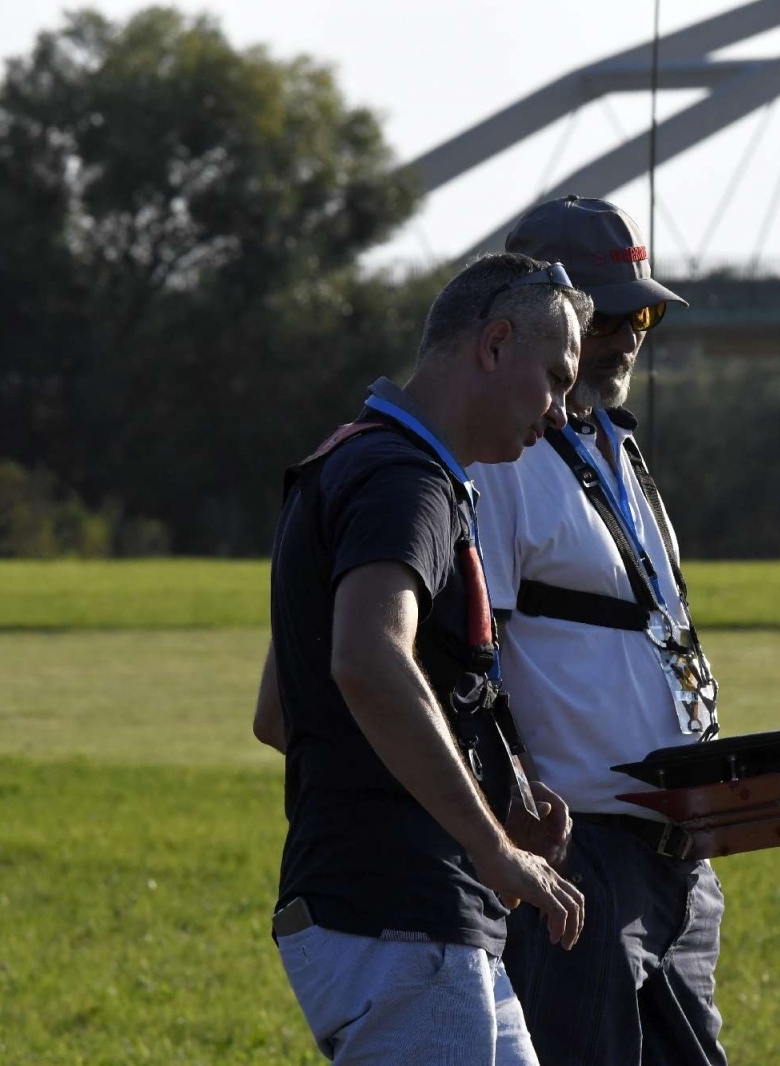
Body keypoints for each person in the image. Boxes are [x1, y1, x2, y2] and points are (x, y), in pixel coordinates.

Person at [252, 252, 592, 1065]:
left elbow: (281, 714)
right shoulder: (409, 481)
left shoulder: (352, 459)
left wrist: (492, 790)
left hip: (402, 913)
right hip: (402, 917)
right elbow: (368, 660)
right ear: (495, 343)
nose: (561, 413)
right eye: (554, 377)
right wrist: (494, 847)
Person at [467, 196, 728, 1066]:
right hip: (581, 850)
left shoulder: (617, 448)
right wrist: (515, 812)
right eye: (609, 315)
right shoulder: (502, 462)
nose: (629, 335)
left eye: (643, 312)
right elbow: (478, 660)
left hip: (677, 851)